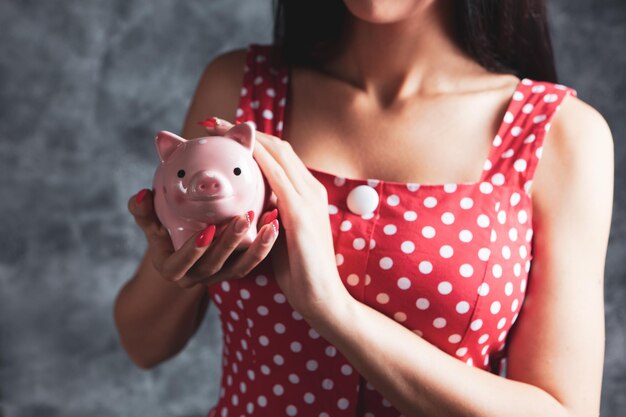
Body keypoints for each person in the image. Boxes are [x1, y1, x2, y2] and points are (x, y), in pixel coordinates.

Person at [114, 1, 614, 416]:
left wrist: (334, 310)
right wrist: (180, 264)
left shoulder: (560, 134)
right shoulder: (241, 88)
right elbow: (143, 345)